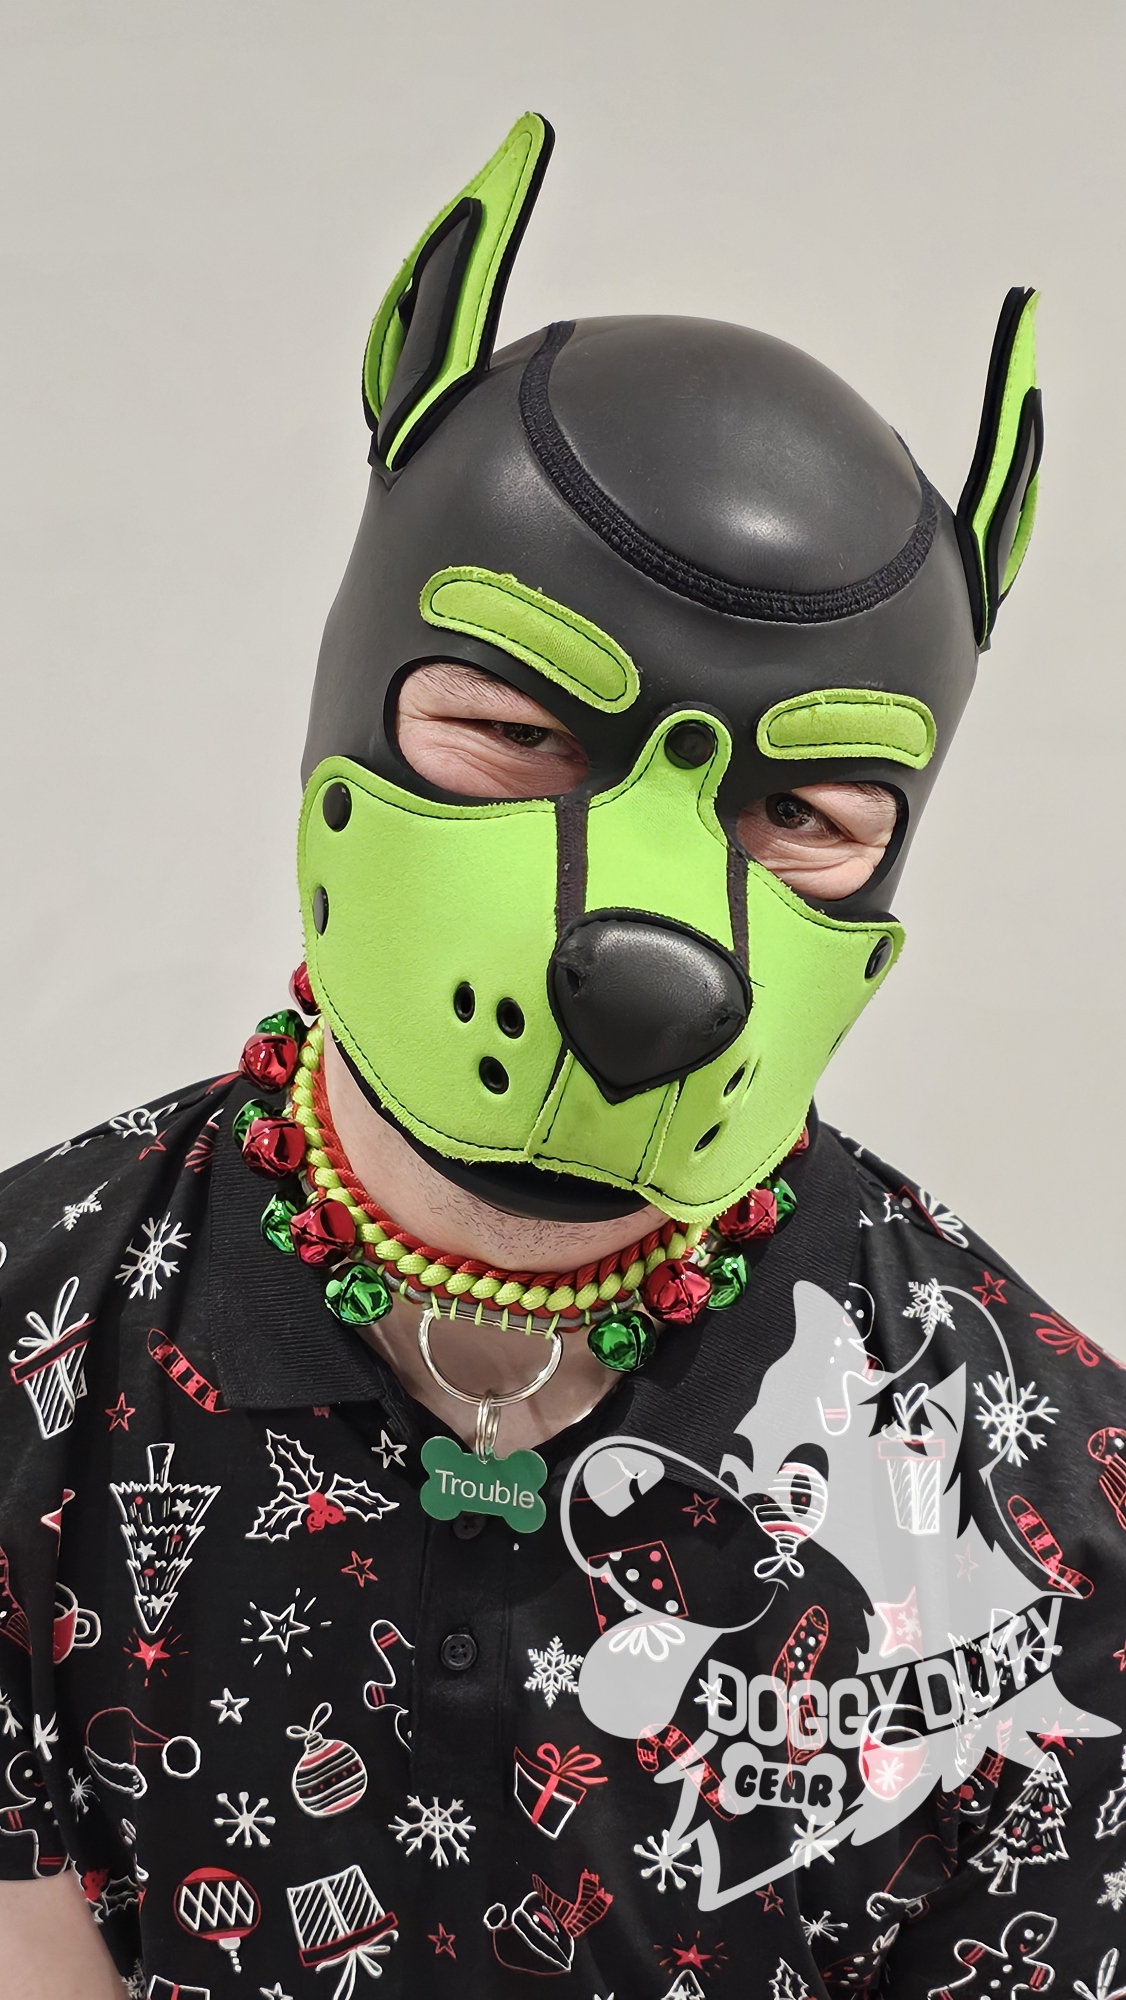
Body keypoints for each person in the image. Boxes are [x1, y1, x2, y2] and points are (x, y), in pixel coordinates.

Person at [0, 110, 1122, 2000]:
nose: (651, 948)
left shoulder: (1048, 1525)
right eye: (516, 730)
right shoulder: (34, 1345)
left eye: (803, 813)